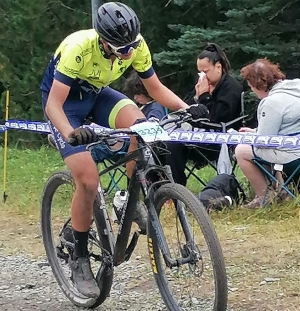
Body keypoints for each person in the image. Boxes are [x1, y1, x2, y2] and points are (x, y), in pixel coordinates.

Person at [40, 2, 200, 298]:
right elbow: (53, 104)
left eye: (131, 47)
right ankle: (80, 258)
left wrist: (187, 108)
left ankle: (126, 199)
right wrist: (70, 133)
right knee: (88, 181)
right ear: (102, 39)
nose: (127, 53)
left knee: (142, 128)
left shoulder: (136, 44)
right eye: (120, 48)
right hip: (65, 106)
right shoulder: (79, 47)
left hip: (97, 95)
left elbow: (155, 88)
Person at [164, 43, 243, 186]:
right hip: (195, 135)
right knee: (164, 143)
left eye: (205, 72)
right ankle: (165, 185)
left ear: (218, 67)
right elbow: (185, 108)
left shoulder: (231, 88)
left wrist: (205, 96)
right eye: (199, 72)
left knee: (173, 145)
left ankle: (176, 188)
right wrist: (196, 97)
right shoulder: (202, 85)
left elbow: (217, 117)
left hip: (218, 141)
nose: (202, 76)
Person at [235, 58, 300, 209]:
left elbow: (264, 140)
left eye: (251, 86)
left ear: (258, 85)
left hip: (291, 156)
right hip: (295, 144)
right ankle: (280, 189)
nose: (251, 89)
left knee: (242, 150)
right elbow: (285, 127)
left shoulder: (272, 103)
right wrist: (255, 131)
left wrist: (248, 136)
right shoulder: (295, 89)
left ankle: (264, 196)